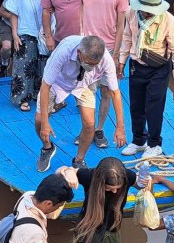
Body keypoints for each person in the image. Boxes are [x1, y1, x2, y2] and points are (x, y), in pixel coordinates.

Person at [35, 34, 127, 172]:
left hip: (85, 83)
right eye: (88, 63)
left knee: (90, 124)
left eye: (94, 65)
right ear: (79, 53)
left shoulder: (106, 59)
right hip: (58, 82)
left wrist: (120, 126)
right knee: (40, 121)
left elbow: (115, 92)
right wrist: (45, 123)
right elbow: (45, 86)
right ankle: (47, 148)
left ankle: (79, 160)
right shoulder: (64, 51)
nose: (91, 66)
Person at [117, 0, 174, 161]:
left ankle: (155, 144)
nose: (146, 13)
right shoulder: (132, 13)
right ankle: (139, 140)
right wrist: (121, 61)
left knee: (154, 107)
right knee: (136, 105)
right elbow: (126, 37)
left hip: (158, 68)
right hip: (136, 65)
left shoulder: (169, 21)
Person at [78, 0, 129, 151]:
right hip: (88, 47)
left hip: (108, 48)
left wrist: (116, 55)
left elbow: (121, 26)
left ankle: (98, 129)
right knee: (86, 91)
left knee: (107, 91)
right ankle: (87, 128)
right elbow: (78, 14)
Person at [0, 0, 48, 111]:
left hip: (46, 32)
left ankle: (39, 95)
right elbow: (15, 12)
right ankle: (22, 99)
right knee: (24, 66)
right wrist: (14, 33)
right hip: (26, 31)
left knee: (44, 66)